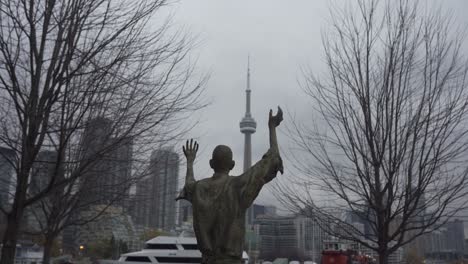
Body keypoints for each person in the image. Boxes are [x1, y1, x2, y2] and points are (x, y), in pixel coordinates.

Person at [176, 107, 283, 264]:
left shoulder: (200, 188)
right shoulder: (238, 185)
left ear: (211, 163)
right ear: (232, 164)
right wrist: (272, 128)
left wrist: (190, 162)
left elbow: (189, 185)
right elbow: (272, 158)